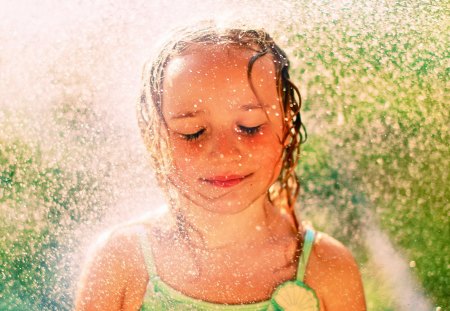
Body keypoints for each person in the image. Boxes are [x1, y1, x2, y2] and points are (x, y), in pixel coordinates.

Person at [75, 22, 366, 310]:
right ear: (156, 138)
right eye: (192, 132)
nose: (224, 153)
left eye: (250, 127)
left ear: (287, 127)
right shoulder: (121, 263)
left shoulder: (328, 270)